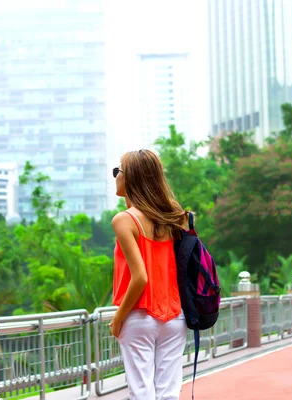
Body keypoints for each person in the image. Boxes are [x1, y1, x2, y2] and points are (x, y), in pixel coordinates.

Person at [109, 149, 188, 400]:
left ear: (131, 177)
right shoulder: (174, 218)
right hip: (175, 316)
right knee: (169, 394)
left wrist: (118, 319)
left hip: (140, 316)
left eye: (117, 171)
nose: (115, 177)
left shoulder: (124, 220)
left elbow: (140, 277)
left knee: (141, 393)